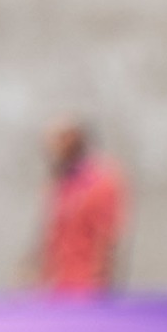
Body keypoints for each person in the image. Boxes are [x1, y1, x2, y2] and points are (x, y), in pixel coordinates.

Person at [33, 119, 129, 294]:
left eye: (58, 139)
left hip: (85, 289)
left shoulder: (102, 181)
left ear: (74, 140)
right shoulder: (62, 181)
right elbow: (52, 236)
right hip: (57, 287)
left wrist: (100, 287)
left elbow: (106, 240)